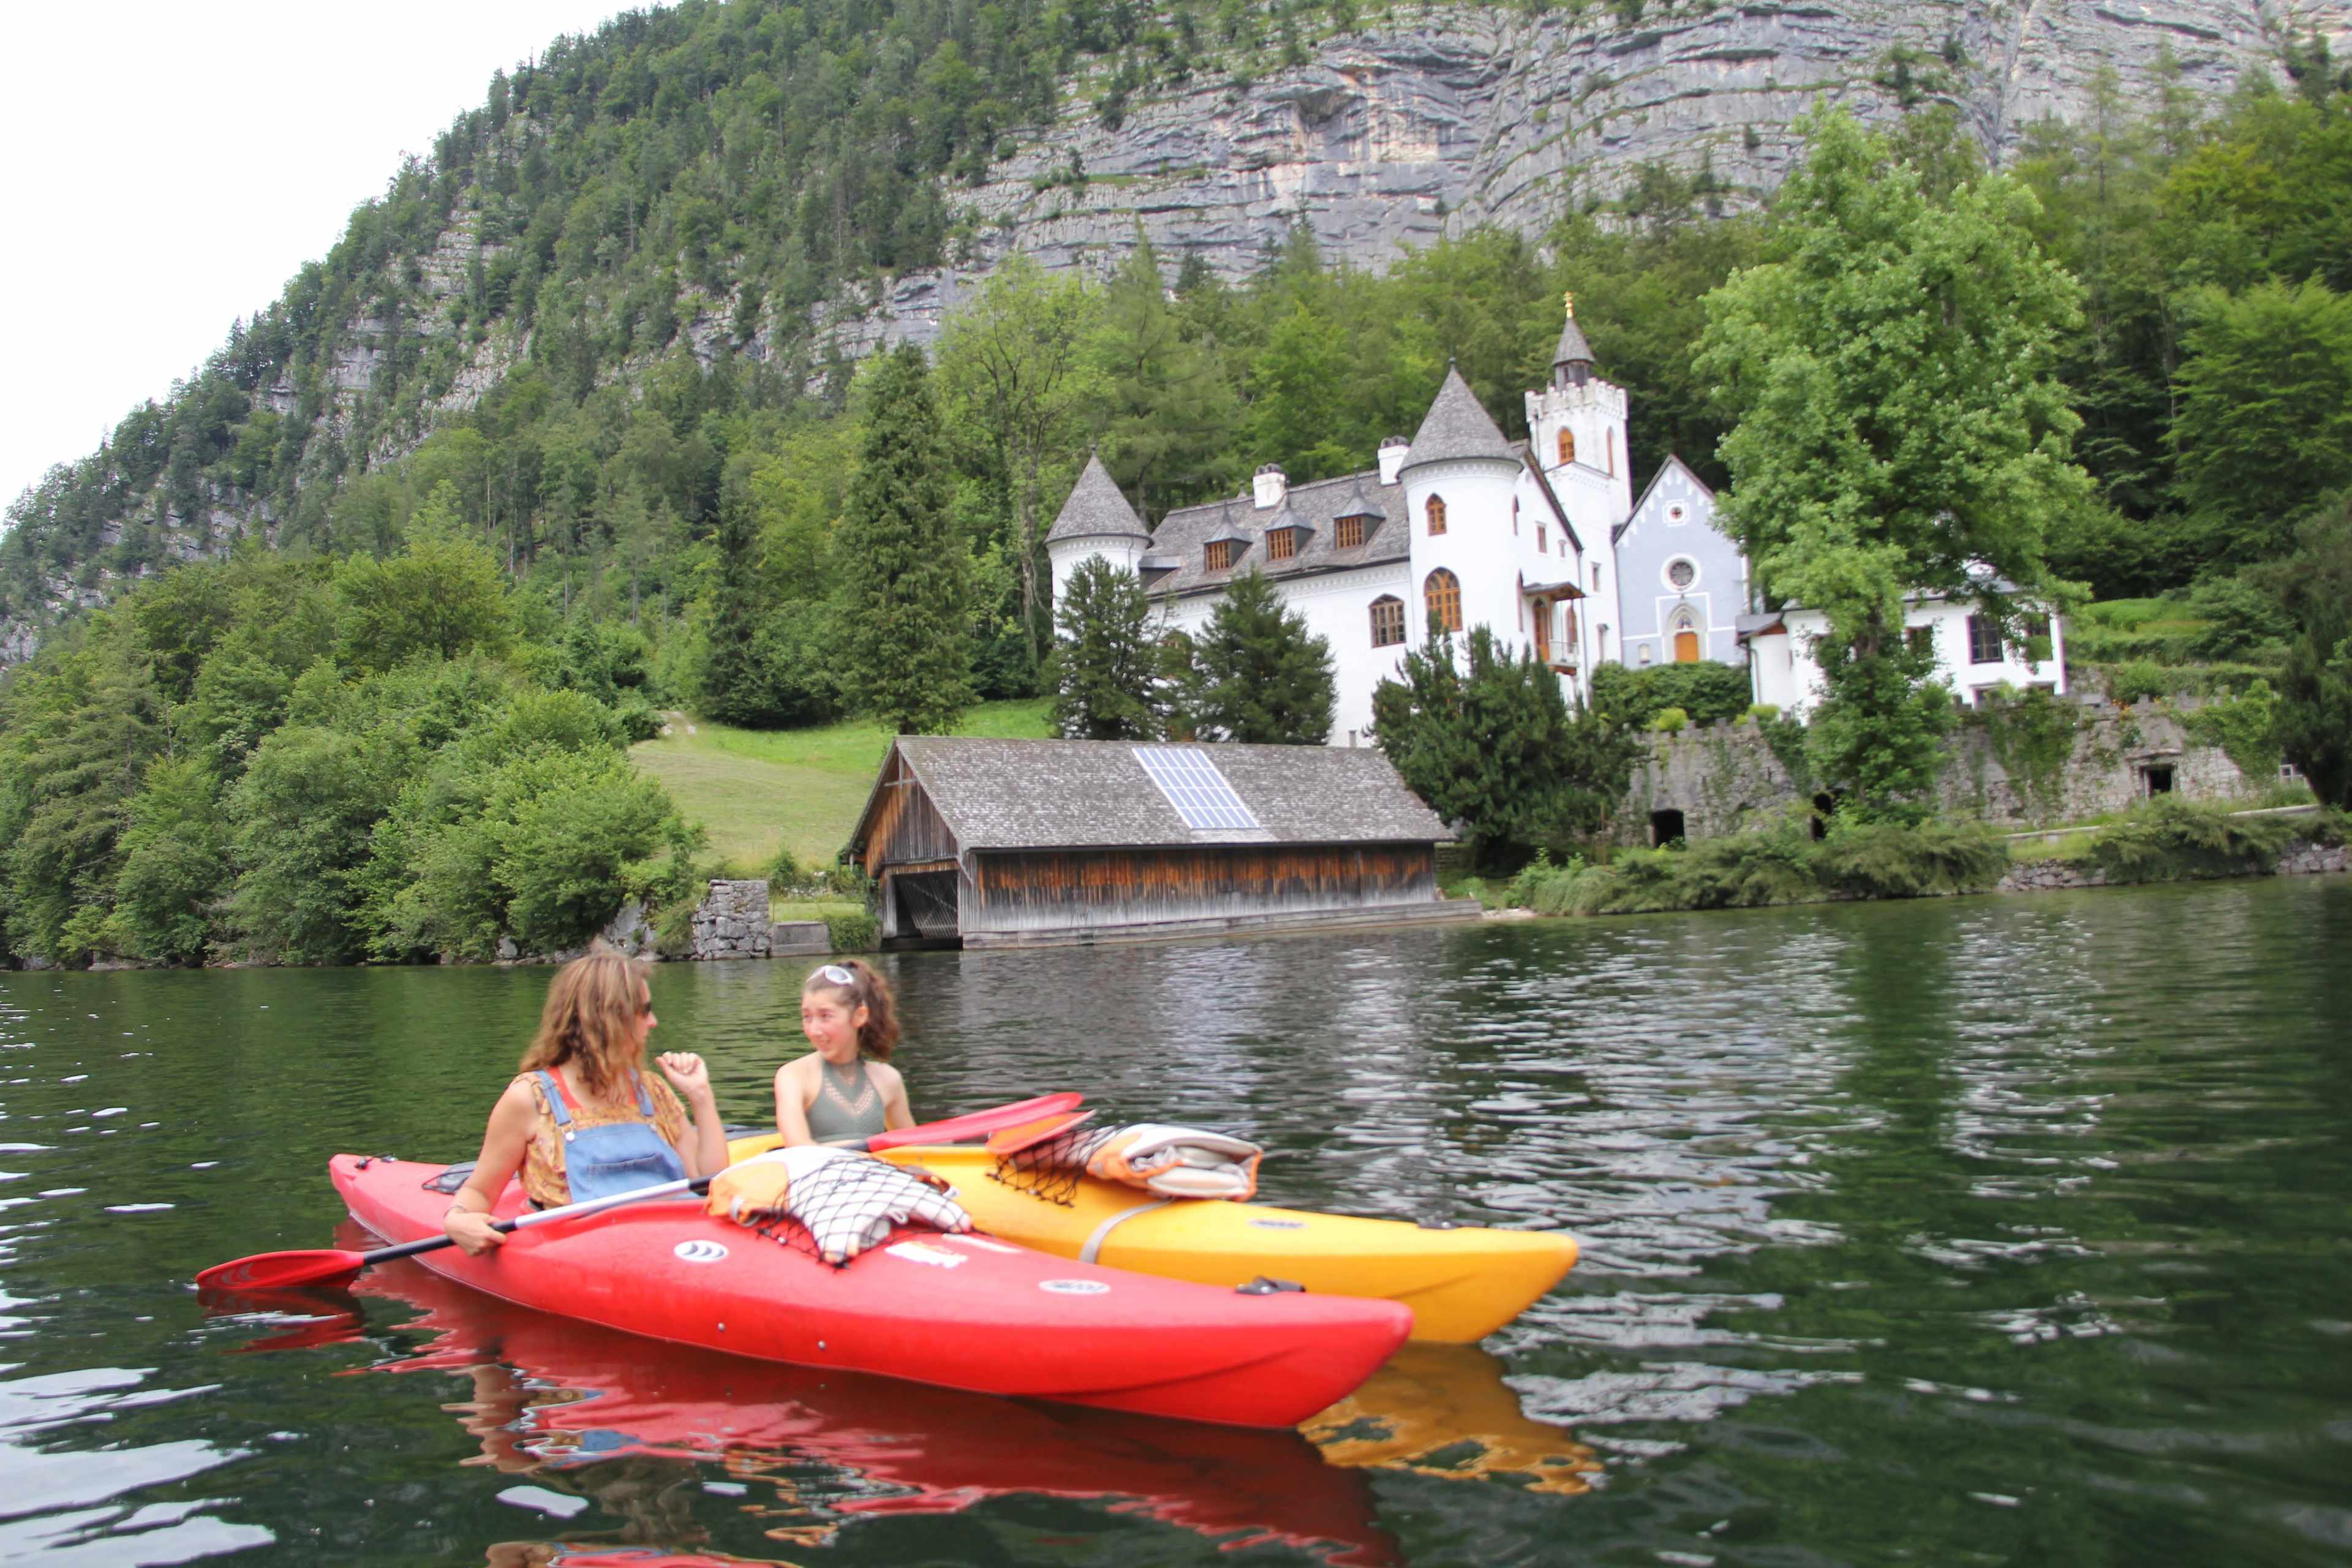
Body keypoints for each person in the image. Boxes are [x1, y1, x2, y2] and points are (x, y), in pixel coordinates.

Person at [445, 948, 728, 1254]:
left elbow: (709, 1182)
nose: (654, 1022)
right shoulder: (529, 1098)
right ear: (607, 1020)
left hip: (676, 1240)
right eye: (645, 1011)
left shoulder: (654, 1090)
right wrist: (457, 1220)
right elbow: (478, 1191)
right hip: (588, 1254)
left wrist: (701, 1096)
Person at [774, 960, 914, 1147]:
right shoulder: (793, 1076)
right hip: (817, 1173)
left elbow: (914, 1148)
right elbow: (798, 1146)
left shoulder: (888, 1079)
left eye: (826, 1016)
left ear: (859, 1016)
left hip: (874, 1173)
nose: (814, 1030)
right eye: (807, 1017)